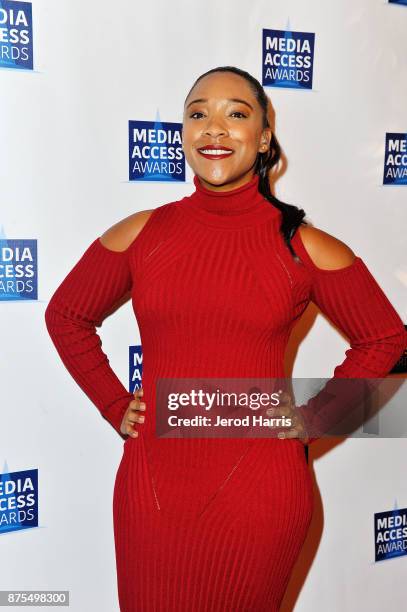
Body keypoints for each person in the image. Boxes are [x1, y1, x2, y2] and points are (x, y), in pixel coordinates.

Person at [45, 66, 406, 611]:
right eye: (198, 114)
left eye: (236, 114)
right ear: (184, 133)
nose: (214, 128)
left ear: (263, 137)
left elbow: (385, 337)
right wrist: (114, 404)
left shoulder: (301, 244)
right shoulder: (146, 232)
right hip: (154, 489)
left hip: (259, 492)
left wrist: (316, 417)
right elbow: (66, 315)